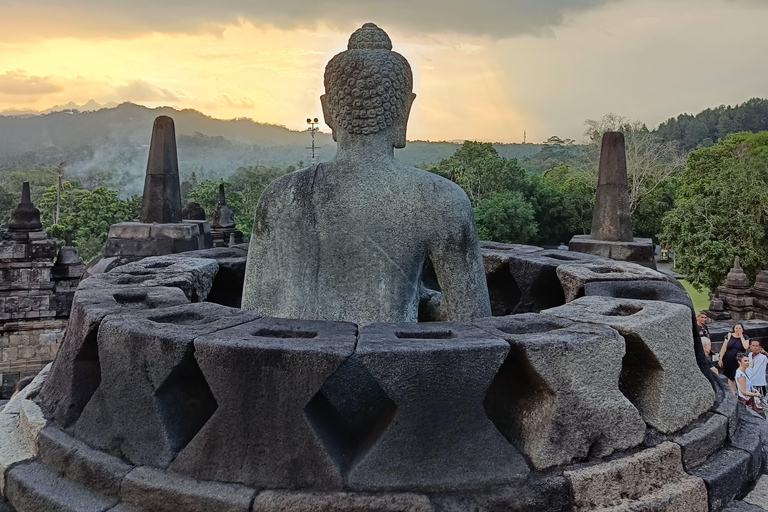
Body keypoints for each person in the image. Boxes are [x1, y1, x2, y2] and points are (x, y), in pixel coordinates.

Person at [718, 323, 750, 394]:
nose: (738, 330)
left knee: (739, 375)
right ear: (734, 329)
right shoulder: (729, 336)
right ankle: (733, 392)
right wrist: (720, 358)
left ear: (742, 329)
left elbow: (746, 347)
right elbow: (724, 347)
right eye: (736, 328)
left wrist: (741, 336)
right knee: (730, 376)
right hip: (729, 358)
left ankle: (741, 391)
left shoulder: (745, 337)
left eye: (739, 328)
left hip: (739, 359)